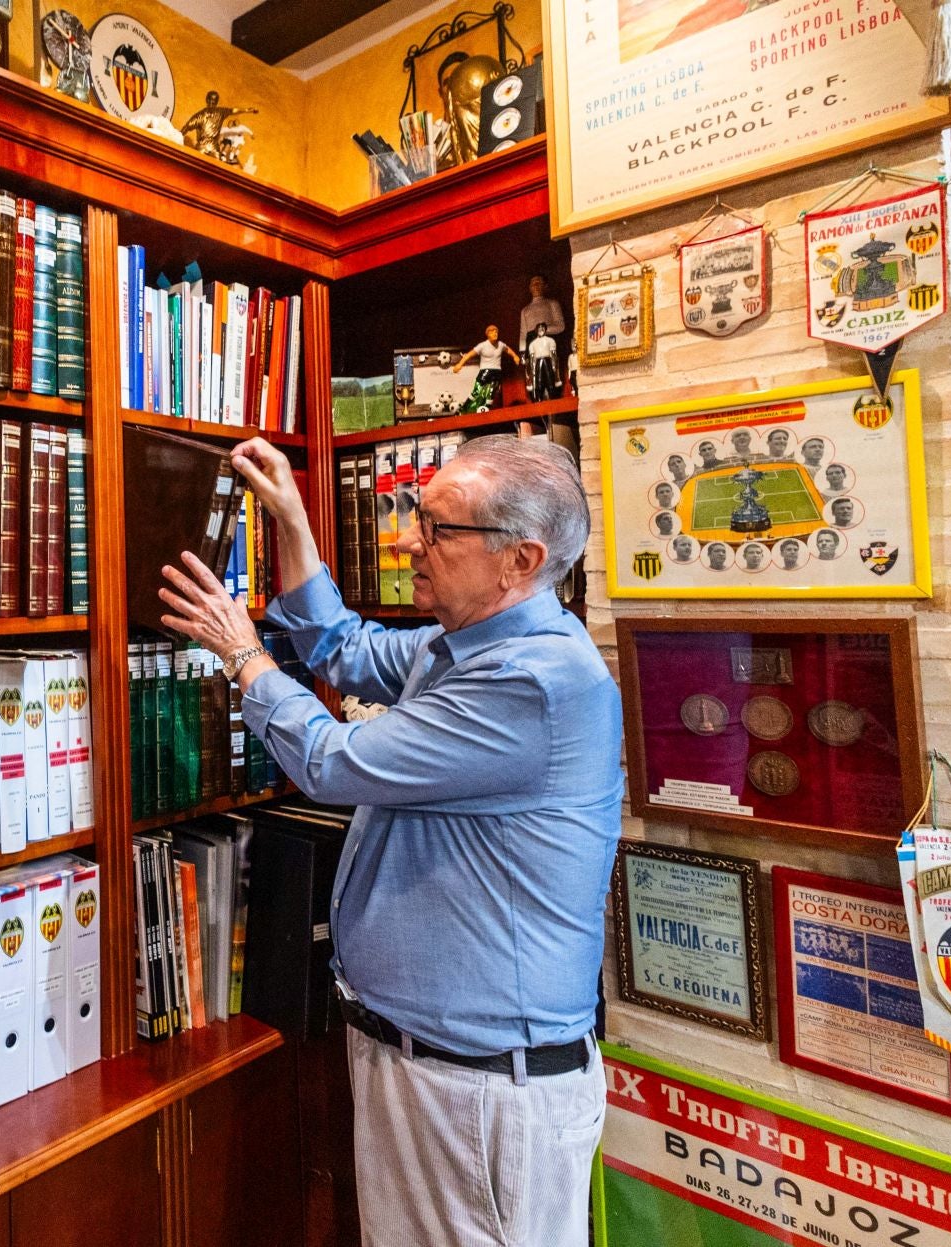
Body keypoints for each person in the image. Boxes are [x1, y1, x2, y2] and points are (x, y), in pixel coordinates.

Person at [158, 434, 619, 1247]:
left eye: (438, 528)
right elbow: (344, 646)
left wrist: (242, 655)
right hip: (425, 1066)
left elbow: (333, 762)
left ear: (521, 559)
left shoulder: (534, 682)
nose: (409, 540)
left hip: (479, 1092)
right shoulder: (463, 645)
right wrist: (293, 519)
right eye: (415, 515)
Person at [452, 325, 521, 411]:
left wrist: (515, 356)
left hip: (497, 372)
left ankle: (486, 409)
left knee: (491, 392)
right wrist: (459, 364)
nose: (495, 334)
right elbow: (469, 355)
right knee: (477, 391)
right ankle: (465, 409)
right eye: (492, 332)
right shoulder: (483, 346)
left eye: (496, 332)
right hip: (485, 371)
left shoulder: (500, 345)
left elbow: (507, 349)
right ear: (488, 334)